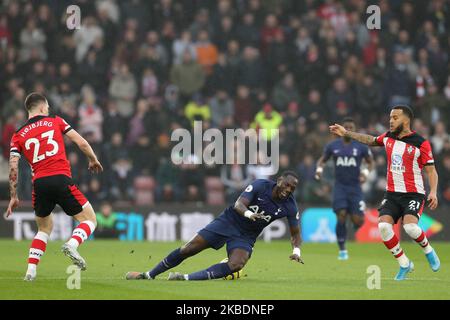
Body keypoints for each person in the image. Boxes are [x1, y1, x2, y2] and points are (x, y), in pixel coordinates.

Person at [329, 105, 440, 280]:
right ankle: (404, 264)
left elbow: (431, 171)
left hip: (414, 193)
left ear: (406, 120)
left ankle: (428, 250)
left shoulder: (421, 143)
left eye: (395, 118)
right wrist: (347, 133)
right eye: (390, 117)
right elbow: (369, 139)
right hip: (392, 194)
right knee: (383, 227)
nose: (391, 121)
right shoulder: (388, 137)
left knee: (410, 227)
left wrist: (433, 192)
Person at [126, 171, 303, 281]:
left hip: (246, 236)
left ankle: (185, 278)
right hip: (228, 222)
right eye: (286, 185)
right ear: (279, 180)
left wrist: (296, 251)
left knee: (236, 264)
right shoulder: (260, 185)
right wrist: (249, 214)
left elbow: (295, 232)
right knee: (189, 248)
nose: (288, 190)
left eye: (292, 188)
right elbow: (239, 204)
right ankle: (149, 274)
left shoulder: (290, 205)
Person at [6, 92, 103, 281]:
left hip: (39, 183)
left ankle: (30, 272)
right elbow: (81, 142)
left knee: (44, 228)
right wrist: (93, 159)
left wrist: (13, 196)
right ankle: (72, 245)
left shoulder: (17, 135)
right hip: (60, 178)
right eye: (48, 106)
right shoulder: (55, 120)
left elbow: (13, 166)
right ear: (43, 107)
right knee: (90, 219)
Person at [315, 117, 374, 260]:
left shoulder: (361, 147)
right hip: (340, 186)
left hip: (355, 187)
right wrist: (319, 170)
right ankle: (342, 249)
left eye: (351, 127)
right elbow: (323, 159)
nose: (348, 129)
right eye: (345, 127)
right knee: (341, 214)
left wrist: (365, 173)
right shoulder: (333, 146)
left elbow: (370, 162)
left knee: (358, 220)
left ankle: (354, 224)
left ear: (354, 129)